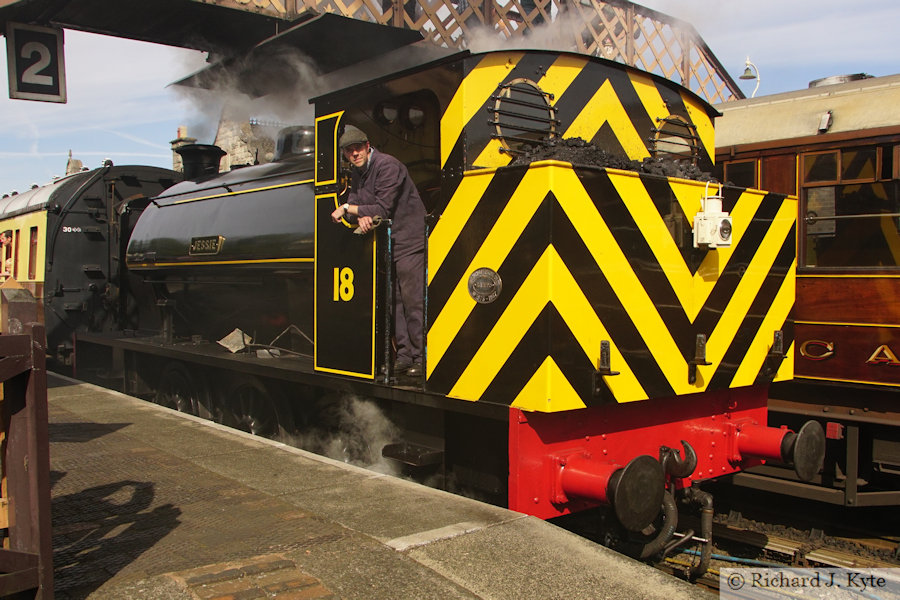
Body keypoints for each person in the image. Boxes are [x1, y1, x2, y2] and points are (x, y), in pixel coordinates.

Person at [330, 126, 426, 377]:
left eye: (357, 148)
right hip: (389, 243)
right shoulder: (358, 172)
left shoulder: (387, 166)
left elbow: (381, 208)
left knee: (412, 301)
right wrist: (362, 214)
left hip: (409, 240)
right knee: (395, 302)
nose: (354, 153)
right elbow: (362, 204)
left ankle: (423, 357)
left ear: (367, 145)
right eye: (349, 151)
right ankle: (405, 355)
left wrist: (348, 209)